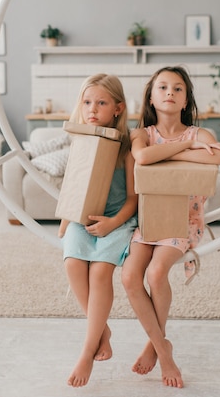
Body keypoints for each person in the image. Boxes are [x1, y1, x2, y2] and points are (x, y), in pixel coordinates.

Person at [121, 66, 220, 388]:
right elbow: (142, 157)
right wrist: (185, 149)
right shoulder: (141, 134)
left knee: (156, 274)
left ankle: (159, 351)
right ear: (152, 98)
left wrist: (180, 149)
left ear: (185, 100)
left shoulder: (200, 134)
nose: (170, 92)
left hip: (185, 220)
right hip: (150, 218)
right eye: (163, 87)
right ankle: (162, 344)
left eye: (178, 88)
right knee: (129, 277)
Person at [58, 73, 138, 388]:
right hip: (82, 216)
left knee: (100, 273)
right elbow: (73, 187)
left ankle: (87, 350)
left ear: (117, 108)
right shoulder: (81, 140)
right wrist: (67, 218)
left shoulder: (127, 146)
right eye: (88, 102)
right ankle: (102, 331)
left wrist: (113, 223)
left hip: (117, 218)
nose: (93, 108)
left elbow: (132, 200)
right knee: (73, 264)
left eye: (101, 103)